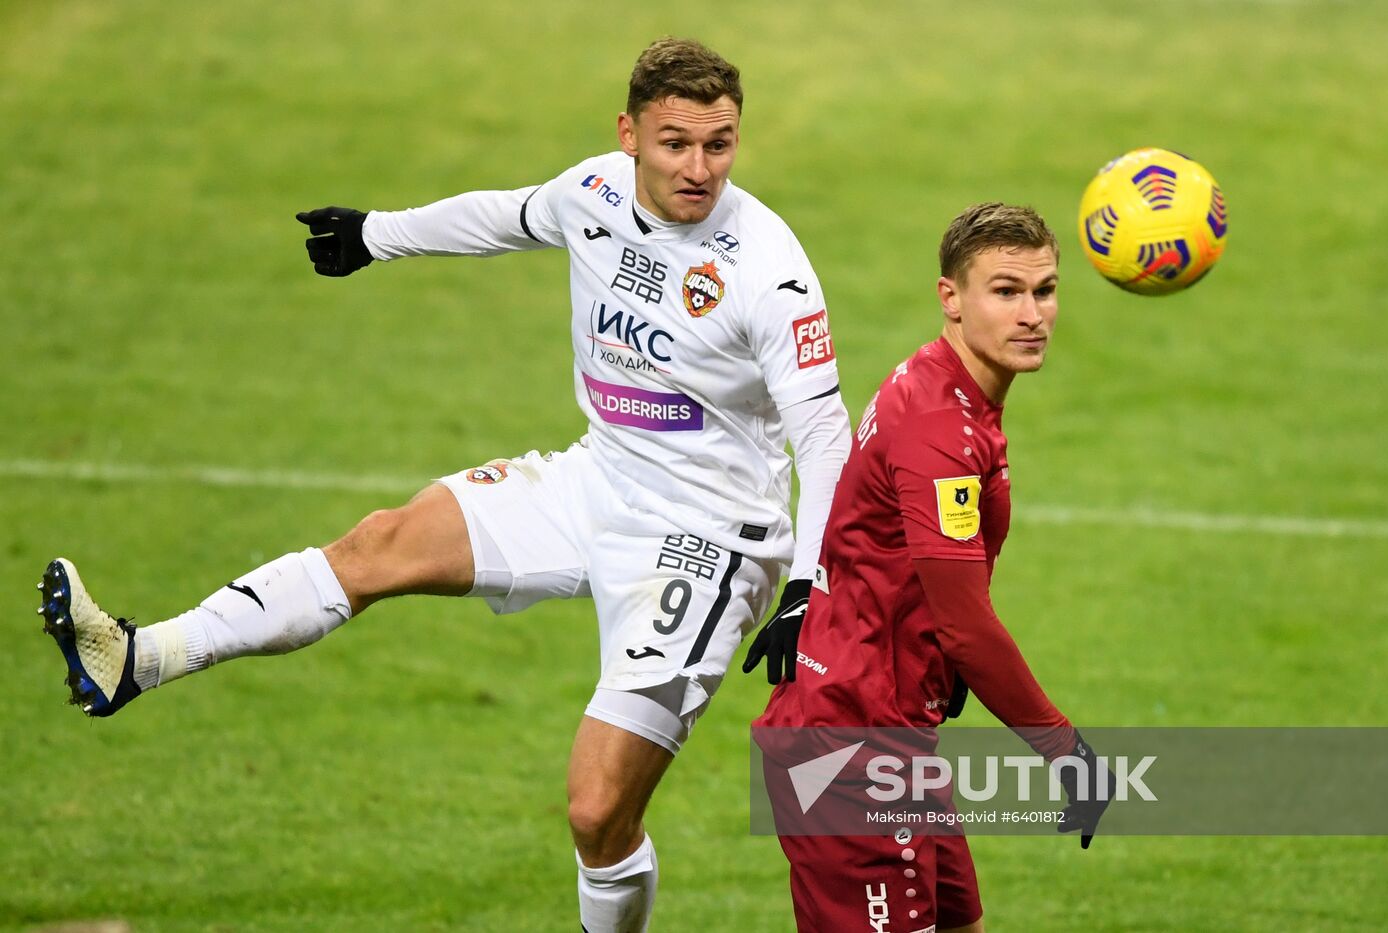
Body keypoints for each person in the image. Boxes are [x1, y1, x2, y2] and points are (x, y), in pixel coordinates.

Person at [37, 37, 850, 933]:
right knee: (378, 543)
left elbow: (822, 437)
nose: (699, 167)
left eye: (720, 144)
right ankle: (136, 658)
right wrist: (374, 236)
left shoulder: (767, 266)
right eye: (675, 143)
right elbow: (505, 216)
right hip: (597, 478)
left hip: (708, 538)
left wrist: (809, 579)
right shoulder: (593, 193)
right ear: (629, 135)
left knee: (595, 811)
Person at [752, 203, 1115, 933]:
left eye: (1044, 290)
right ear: (951, 298)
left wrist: (934, 674)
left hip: (888, 730)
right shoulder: (940, 428)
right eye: (1005, 291)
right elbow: (964, 622)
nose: (1033, 313)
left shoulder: (944, 386)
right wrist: (1062, 747)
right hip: (848, 747)